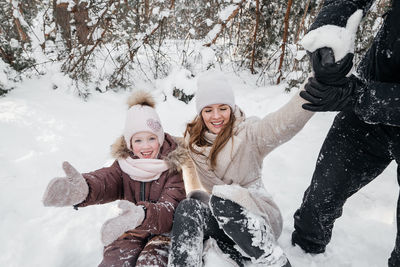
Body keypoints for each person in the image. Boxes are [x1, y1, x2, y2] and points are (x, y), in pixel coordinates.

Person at [292, 1, 400, 266]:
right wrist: (330, 35)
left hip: (369, 98)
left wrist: (360, 96)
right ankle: (302, 256)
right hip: (368, 104)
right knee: (317, 205)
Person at [168, 71, 314, 267]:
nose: (216, 116)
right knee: (189, 206)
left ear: (232, 108)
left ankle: (274, 261)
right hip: (222, 221)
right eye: (208, 110)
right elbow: (160, 145)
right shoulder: (195, 142)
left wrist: (317, 84)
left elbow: (285, 122)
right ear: (200, 113)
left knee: (222, 198)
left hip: (258, 218)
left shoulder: (249, 134)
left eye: (223, 108)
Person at [42, 91, 186, 267]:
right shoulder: (125, 165)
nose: (146, 146)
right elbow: (106, 181)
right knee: (115, 261)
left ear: (161, 138)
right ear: (129, 144)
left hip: (164, 234)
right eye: (138, 140)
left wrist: (141, 215)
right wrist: (85, 188)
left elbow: (169, 209)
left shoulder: (174, 166)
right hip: (131, 230)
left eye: (151, 138)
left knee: (150, 263)